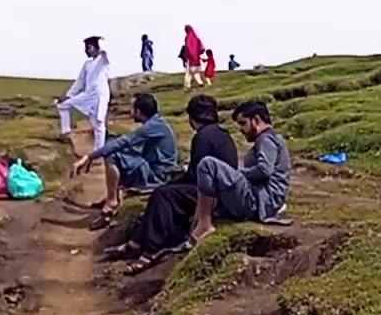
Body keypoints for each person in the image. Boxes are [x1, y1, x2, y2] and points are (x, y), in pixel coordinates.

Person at [103, 95, 239, 274]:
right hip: (223, 190)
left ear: (192, 117)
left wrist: (173, 183)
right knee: (164, 192)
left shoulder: (202, 137)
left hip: (212, 194)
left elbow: (195, 176)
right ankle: (136, 242)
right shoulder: (221, 134)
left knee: (163, 194)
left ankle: (152, 249)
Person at [71, 93, 177, 230]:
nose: (130, 112)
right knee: (119, 150)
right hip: (157, 170)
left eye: (132, 108)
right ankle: (114, 193)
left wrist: (90, 157)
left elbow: (126, 141)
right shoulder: (156, 124)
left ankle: (111, 202)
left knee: (113, 154)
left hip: (157, 175)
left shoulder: (152, 127)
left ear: (138, 111)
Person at [191, 101, 291, 244]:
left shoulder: (266, 139)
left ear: (256, 120)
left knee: (207, 164)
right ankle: (205, 217)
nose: (241, 129)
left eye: (243, 123)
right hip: (263, 200)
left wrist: (240, 173)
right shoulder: (271, 138)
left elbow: (264, 170)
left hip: (259, 201)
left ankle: (204, 223)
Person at [56, 36, 110, 158]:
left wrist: (101, 46)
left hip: (99, 96)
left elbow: (106, 54)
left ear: (96, 48)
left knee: (98, 123)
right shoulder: (87, 64)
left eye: (89, 47)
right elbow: (80, 82)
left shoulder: (103, 60)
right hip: (87, 95)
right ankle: (66, 131)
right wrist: (68, 95)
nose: (86, 50)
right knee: (63, 105)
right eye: (85, 48)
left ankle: (98, 152)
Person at [183, 25, 206, 89]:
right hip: (197, 58)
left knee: (189, 73)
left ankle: (187, 85)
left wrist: (188, 55)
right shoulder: (196, 38)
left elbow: (188, 48)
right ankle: (200, 82)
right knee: (196, 72)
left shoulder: (187, 38)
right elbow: (202, 48)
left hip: (191, 58)